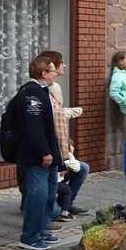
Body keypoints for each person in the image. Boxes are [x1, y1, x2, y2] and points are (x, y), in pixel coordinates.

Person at [16, 56, 63, 250]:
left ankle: (41, 228)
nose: (55, 74)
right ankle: (30, 236)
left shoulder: (42, 92)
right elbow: (34, 127)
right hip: (37, 155)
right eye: (52, 71)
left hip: (49, 152)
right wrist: (44, 151)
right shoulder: (32, 93)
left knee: (49, 192)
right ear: (43, 73)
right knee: (38, 193)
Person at [39, 50, 90, 220]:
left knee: (82, 168)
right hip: (51, 147)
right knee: (51, 178)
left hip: (60, 145)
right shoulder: (48, 88)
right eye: (61, 63)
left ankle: (66, 203)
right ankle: (52, 212)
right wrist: (73, 112)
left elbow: (57, 114)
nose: (65, 66)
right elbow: (54, 115)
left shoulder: (55, 87)